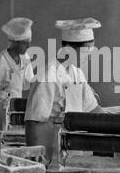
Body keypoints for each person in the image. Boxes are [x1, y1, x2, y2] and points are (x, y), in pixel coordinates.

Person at [24, 17, 101, 161]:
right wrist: (39, 160)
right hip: (49, 152)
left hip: (73, 150)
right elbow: (34, 122)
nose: (89, 56)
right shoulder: (47, 75)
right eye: (87, 51)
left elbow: (93, 109)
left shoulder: (77, 73)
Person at [0, 17, 33, 131]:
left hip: (16, 114)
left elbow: (28, 85)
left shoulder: (25, 58)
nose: (28, 47)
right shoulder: (0, 63)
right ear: (14, 43)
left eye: (29, 43)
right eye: (25, 43)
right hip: (0, 114)